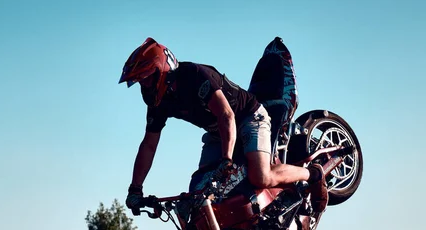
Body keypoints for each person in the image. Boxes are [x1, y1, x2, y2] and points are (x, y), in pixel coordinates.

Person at [119, 38, 328, 216]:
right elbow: (148, 146)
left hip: (248, 117)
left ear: (161, 70)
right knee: (198, 193)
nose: (144, 85)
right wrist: (135, 188)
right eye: (139, 81)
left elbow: (226, 114)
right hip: (218, 132)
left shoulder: (195, 75)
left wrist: (226, 160)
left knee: (261, 176)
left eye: (145, 79)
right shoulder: (159, 103)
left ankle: (313, 175)